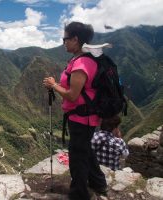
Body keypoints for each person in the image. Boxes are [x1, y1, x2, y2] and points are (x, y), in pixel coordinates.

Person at [43, 21, 107, 200]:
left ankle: (79, 194)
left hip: (82, 118)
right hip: (84, 117)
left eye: (65, 38)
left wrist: (54, 85)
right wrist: (57, 84)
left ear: (75, 39)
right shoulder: (80, 60)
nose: (63, 42)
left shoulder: (82, 64)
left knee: (78, 156)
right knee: (85, 149)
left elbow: (72, 95)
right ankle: (98, 183)